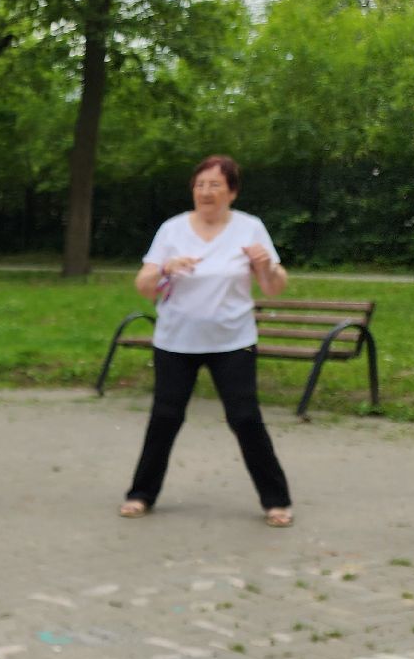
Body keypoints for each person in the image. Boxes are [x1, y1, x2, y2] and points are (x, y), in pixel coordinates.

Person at [119, 154, 294, 526]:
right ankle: (140, 494)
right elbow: (143, 285)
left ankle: (276, 501)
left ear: (231, 191)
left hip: (233, 341)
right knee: (165, 417)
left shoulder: (250, 228)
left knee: (245, 418)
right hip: (175, 341)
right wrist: (165, 267)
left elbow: (274, 287)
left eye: (215, 185)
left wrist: (266, 265)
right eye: (200, 185)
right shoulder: (172, 230)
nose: (206, 192)